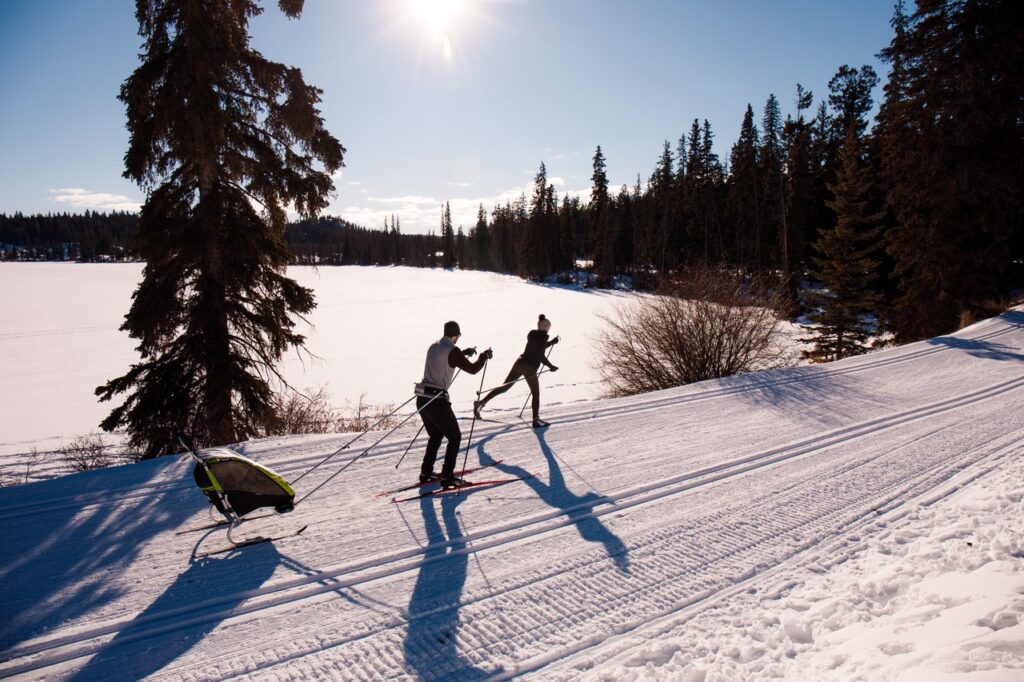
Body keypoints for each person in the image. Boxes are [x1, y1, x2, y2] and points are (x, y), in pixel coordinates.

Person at [415, 320, 492, 488]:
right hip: (437, 401)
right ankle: (447, 476)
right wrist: (483, 357)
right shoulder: (453, 351)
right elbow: (472, 369)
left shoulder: (434, 346)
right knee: (455, 437)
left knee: (435, 436)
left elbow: (445, 359)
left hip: (422, 398)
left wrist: (463, 353)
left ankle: (426, 473)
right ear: (456, 336)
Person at [474, 314, 559, 428]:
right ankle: (536, 420)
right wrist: (551, 366)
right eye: (549, 327)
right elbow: (540, 355)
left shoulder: (532, 334)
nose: (549, 329)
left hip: (520, 363)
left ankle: (481, 403)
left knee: (504, 387)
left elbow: (539, 347)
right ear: (546, 328)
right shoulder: (543, 338)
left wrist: (552, 342)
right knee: (536, 393)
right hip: (530, 368)